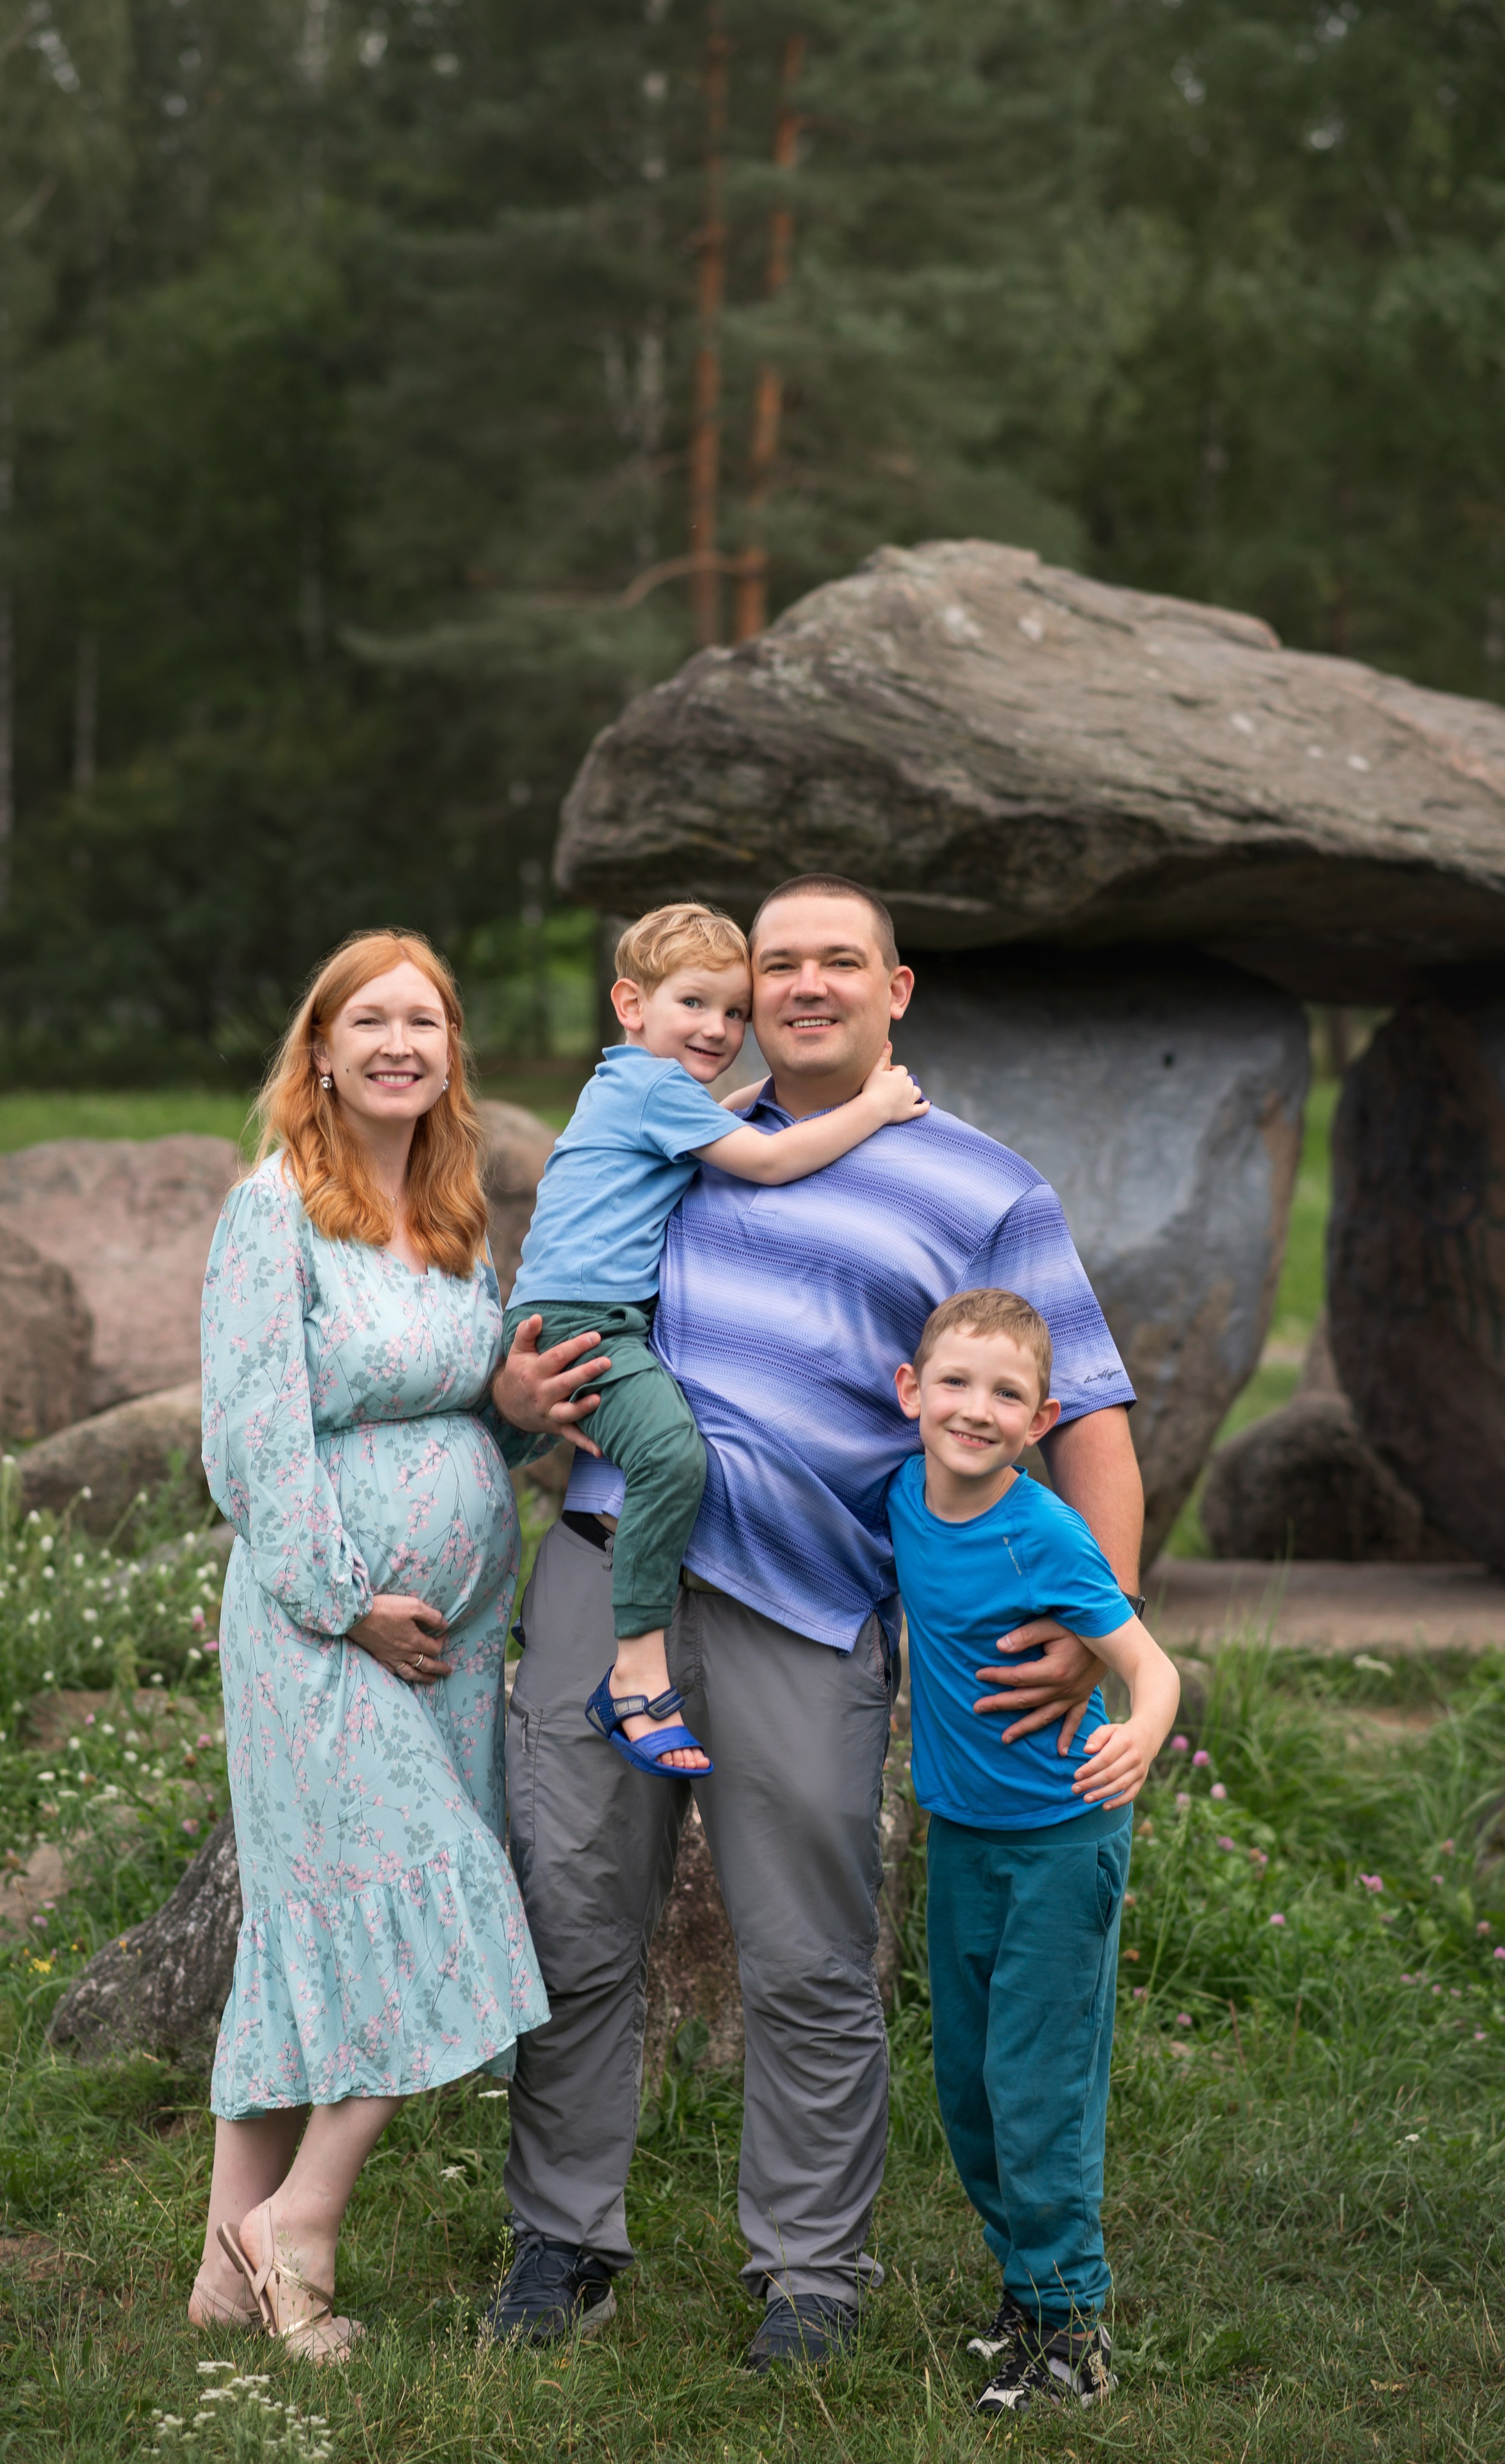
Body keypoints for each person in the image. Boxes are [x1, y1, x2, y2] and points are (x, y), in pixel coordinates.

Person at [487, 873, 1147, 2369]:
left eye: (836, 961)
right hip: (607, 1564)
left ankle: (808, 2272)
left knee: (807, 1956)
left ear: (894, 990)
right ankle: (561, 2239)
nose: (800, 985)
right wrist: (515, 1391)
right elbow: (547, 1326)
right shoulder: (668, 1122)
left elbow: (1087, 1414)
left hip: (807, 1599)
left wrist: (1099, 1631)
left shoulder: (983, 1186)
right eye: (773, 962)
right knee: (578, 1918)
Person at [186, 928, 550, 2362]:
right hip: (316, 1633)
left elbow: (477, 1408)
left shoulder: (456, 1224)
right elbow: (254, 1441)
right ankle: (302, 2225)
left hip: (447, 1646)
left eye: (427, 1021)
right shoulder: (271, 1210)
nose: (401, 1043)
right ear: (320, 1053)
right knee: (448, 1903)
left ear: (451, 1053)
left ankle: (221, 2275)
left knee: (307, 1941)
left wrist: (518, 1398)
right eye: (370, 1022)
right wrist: (346, 1599)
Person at [503, 900, 925, 1777]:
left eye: (736, 1012)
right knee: (672, 1461)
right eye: (695, 1004)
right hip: (588, 1324)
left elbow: (719, 1131)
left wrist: (750, 1101)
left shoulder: (630, 1085)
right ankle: (636, 1673)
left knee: (656, 1455)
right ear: (631, 1004)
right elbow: (769, 1160)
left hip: (574, 1313)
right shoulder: (658, 1091)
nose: (721, 1027)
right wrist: (877, 1105)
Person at [887, 1287, 1179, 2415]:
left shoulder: (1045, 1531)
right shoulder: (902, 1496)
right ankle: (1027, 2288)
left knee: (1036, 2081)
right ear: (911, 1394)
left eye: (1006, 1394)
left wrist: (1142, 1734)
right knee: (966, 2083)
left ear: (1041, 1416)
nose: (975, 1408)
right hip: (963, 1834)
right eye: (954, 1383)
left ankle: (1073, 2333)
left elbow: (1152, 1670)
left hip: (1063, 1838)